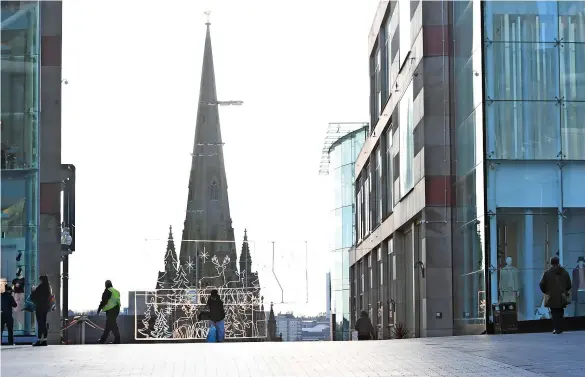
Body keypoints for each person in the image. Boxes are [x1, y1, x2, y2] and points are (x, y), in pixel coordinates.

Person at [539, 256, 572, 334]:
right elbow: (569, 285)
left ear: (551, 263)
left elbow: (541, 284)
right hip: (562, 296)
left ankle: (557, 328)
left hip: (551, 296)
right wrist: (565, 291)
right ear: (558, 262)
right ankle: (560, 328)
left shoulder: (547, 273)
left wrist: (546, 291)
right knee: (561, 311)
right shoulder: (564, 272)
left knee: (554, 312)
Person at [30, 275, 52, 346]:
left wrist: (33, 290)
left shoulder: (40, 287)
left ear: (41, 280)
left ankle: (39, 340)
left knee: (40, 323)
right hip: (45, 308)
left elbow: (33, 298)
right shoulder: (48, 288)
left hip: (39, 307)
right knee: (44, 323)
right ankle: (45, 340)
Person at [97, 280, 121, 344]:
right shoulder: (116, 291)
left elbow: (104, 301)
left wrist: (99, 309)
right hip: (117, 309)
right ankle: (103, 340)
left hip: (111, 310)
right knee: (110, 324)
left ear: (106, 285)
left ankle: (116, 340)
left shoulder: (108, 290)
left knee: (111, 324)